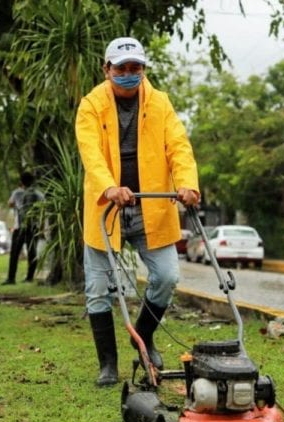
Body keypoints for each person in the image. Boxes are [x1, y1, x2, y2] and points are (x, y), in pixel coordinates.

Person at [75, 37, 200, 386]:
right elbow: (91, 153)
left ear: (143, 69)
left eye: (136, 68)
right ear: (107, 70)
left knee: (167, 276)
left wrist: (187, 183)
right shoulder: (91, 105)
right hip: (107, 209)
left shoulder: (160, 103)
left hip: (153, 208)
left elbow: (178, 146)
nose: (129, 75)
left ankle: (141, 336)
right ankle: (108, 365)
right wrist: (109, 187)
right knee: (98, 289)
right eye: (122, 69)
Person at [3, 171, 43, 285]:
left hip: (19, 227)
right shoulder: (38, 194)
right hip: (33, 227)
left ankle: (11, 278)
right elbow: (43, 207)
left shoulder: (17, 193)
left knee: (14, 253)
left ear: (21, 182)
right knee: (32, 252)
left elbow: (10, 204)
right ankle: (30, 277)